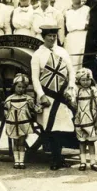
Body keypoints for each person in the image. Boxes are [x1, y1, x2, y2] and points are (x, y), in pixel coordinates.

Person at [31, 25, 77, 170]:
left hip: (62, 95)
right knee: (50, 128)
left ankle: (58, 158)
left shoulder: (62, 52)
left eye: (54, 36)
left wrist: (70, 87)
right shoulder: (37, 55)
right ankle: (55, 159)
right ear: (43, 37)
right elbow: (35, 78)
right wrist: (41, 95)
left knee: (62, 127)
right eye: (49, 36)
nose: (52, 38)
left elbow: (71, 72)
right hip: (48, 96)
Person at [4, 73, 43, 169]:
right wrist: (9, 118)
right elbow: (6, 110)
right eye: (19, 87)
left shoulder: (28, 99)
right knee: (15, 143)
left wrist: (39, 108)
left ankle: (21, 161)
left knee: (21, 143)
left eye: (23, 87)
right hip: (13, 124)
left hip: (23, 123)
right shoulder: (9, 99)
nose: (21, 89)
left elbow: (33, 108)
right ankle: (16, 161)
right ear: (14, 87)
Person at [74, 68, 97, 172]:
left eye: (88, 80)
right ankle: (82, 162)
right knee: (82, 142)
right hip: (80, 119)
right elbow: (73, 103)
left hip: (91, 118)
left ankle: (93, 161)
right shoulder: (77, 91)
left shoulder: (93, 90)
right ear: (78, 81)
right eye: (83, 80)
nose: (86, 82)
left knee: (91, 142)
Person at [64, 0, 89, 72]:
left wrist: (82, 26)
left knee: (82, 62)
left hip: (84, 38)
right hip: (71, 40)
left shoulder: (87, 9)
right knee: (72, 63)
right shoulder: (67, 11)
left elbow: (88, 25)